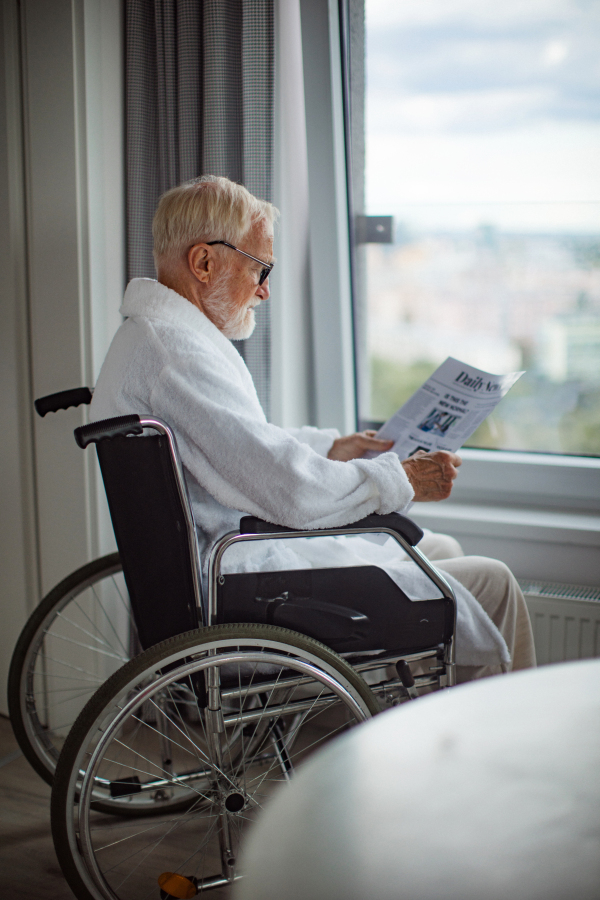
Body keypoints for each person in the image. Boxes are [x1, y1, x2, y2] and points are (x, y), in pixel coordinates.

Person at [91, 175, 536, 682]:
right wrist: (399, 480)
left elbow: (234, 448)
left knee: (442, 553)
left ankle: (402, 723)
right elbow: (285, 485)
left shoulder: (153, 341)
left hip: (230, 562)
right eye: (260, 269)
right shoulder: (175, 354)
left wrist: (333, 447)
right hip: (241, 583)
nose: (263, 290)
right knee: (493, 582)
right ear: (204, 262)